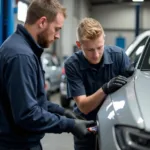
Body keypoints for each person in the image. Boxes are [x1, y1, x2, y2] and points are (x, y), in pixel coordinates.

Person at [0, 1, 95, 150]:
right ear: (42, 22)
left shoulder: (24, 49)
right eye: (56, 29)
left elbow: (35, 101)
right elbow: (27, 115)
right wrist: (70, 125)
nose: (57, 36)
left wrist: (63, 112)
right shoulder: (21, 56)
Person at [64, 17, 134, 150]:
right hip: (85, 124)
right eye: (90, 50)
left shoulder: (119, 56)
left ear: (104, 39)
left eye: (99, 47)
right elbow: (84, 106)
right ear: (79, 45)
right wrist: (105, 89)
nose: (96, 55)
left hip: (114, 121)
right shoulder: (72, 64)